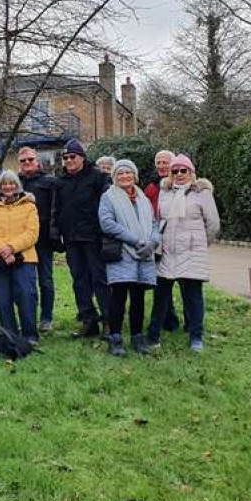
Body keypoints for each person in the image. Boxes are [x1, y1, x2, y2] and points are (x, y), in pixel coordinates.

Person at [150, 154, 220, 352]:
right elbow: (159, 219)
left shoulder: (202, 192)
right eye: (175, 171)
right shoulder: (165, 192)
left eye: (183, 170)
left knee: (193, 296)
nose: (179, 174)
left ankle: (196, 336)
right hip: (167, 252)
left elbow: (213, 224)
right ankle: (153, 334)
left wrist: (198, 243)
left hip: (191, 252)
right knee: (161, 296)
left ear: (191, 172)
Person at [50, 138, 111, 338]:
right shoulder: (60, 182)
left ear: (82, 158)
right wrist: (55, 232)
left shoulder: (98, 177)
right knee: (79, 281)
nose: (69, 160)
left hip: (93, 237)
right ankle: (88, 320)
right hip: (71, 239)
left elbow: (107, 207)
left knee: (100, 280)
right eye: (65, 157)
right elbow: (56, 210)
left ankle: (109, 321)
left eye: (72, 156)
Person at [98, 159, 159, 357]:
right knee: (118, 296)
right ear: (114, 177)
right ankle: (115, 339)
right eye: (120, 174)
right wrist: (136, 241)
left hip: (144, 254)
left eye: (128, 173)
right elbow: (107, 224)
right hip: (122, 252)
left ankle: (137, 337)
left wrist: (152, 242)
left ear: (135, 175)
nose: (125, 176)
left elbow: (155, 223)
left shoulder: (143, 198)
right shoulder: (108, 197)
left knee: (138, 297)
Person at [0, 170, 41, 345]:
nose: (8, 187)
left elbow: (32, 232)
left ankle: (30, 336)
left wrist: (11, 248)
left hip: (24, 258)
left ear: (17, 186)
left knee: (26, 296)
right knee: (3, 299)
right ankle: (9, 336)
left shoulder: (29, 206)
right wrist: (2, 250)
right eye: (4, 184)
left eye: (12, 183)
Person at [17, 146, 57, 333]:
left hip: (43, 240)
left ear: (37, 161)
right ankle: (28, 316)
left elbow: (56, 209)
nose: (27, 163)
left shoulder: (49, 182)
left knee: (45, 280)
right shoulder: (14, 183)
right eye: (23, 161)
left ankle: (46, 318)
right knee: (26, 282)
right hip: (21, 241)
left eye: (30, 160)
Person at [145, 149, 182, 333]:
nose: (161, 165)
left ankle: (188, 322)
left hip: (179, 240)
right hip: (159, 239)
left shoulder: (181, 185)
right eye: (158, 162)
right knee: (162, 281)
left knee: (185, 283)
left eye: (165, 162)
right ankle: (168, 319)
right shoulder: (152, 187)